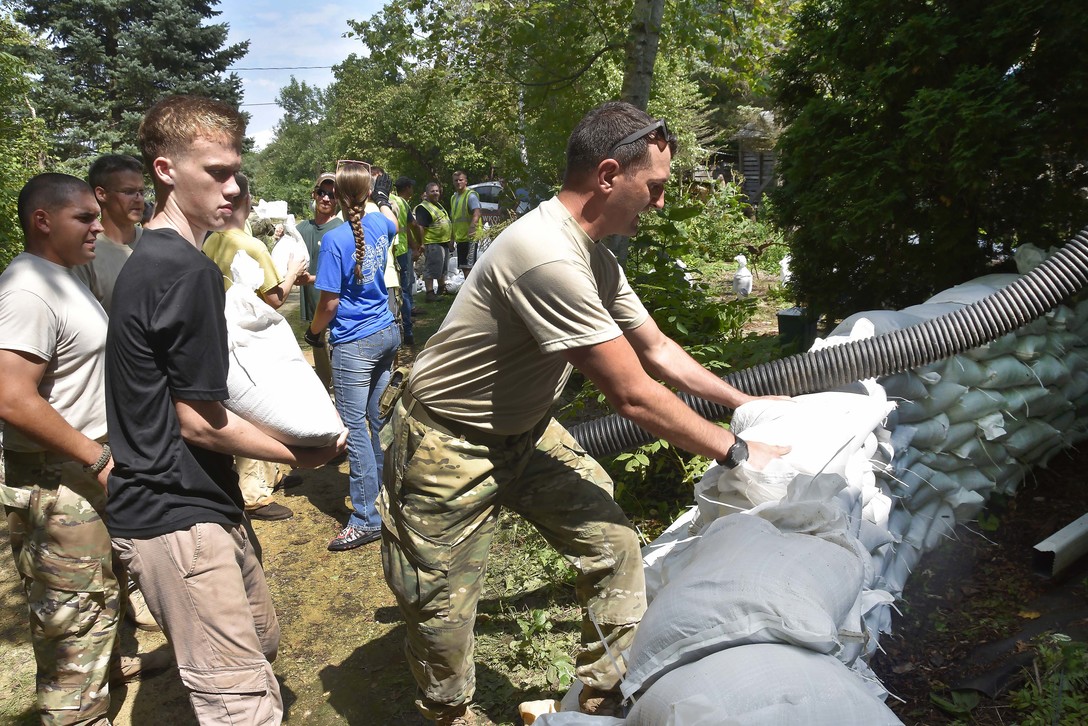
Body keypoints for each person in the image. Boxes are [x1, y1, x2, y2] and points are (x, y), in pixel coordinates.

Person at [379, 101, 790, 725]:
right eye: (652, 187)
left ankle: (598, 699)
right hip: (447, 446)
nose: (658, 203)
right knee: (440, 611)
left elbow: (657, 350)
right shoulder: (546, 255)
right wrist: (736, 451)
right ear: (607, 175)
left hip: (526, 434)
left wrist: (745, 403)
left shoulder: (594, 256)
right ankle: (449, 712)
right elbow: (633, 395)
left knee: (615, 546)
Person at [105, 95, 346, 725]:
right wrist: (308, 454)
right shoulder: (178, 270)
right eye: (215, 172)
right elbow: (194, 419)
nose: (232, 185)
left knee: (259, 642)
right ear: (164, 170)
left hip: (204, 500)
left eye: (235, 170)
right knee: (240, 703)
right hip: (171, 511)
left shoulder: (165, 260)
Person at [0, 173, 151, 725]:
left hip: (85, 470)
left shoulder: (61, 277)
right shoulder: (27, 291)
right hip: (60, 478)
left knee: (98, 598)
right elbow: (11, 398)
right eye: (84, 218)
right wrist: (96, 457)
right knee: (72, 620)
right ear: (43, 221)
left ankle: (111, 674)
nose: (96, 226)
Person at [306, 161, 400, 552]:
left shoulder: (335, 240)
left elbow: (328, 304)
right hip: (386, 333)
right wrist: (381, 195)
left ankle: (365, 519)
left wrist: (312, 333)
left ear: (341, 198)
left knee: (356, 429)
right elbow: (391, 216)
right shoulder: (381, 225)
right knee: (378, 420)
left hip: (354, 343)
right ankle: (387, 499)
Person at [204, 171, 308, 523]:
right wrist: (293, 271)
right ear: (246, 202)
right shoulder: (252, 246)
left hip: (219, 333)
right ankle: (254, 495)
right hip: (248, 338)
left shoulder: (211, 240)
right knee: (257, 406)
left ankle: (258, 478)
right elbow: (275, 298)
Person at [72, 154, 146, 314]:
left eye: (141, 191)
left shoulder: (155, 243)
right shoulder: (85, 253)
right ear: (101, 194)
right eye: (128, 192)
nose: (139, 199)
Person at [296, 172, 344, 392]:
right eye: (322, 193)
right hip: (314, 310)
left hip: (335, 310)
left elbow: (346, 274)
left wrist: (311, 279)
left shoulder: (341, 229)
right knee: (321, 359)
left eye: (332, 195)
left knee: (338, 360)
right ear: (314, 195)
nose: (326, 199)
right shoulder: (301, 229)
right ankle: (326, 397)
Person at [390, 176, 423, 345]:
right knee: (405, 292)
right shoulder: (403, 204)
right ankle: (408, 332)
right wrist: (420, 244)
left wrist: (415, 245)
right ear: (407, 187)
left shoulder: (385, 199)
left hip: (389, 252)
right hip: (402, 252)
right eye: (412, 187)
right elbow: (413, 226)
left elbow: (404, 230)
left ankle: (394, 327)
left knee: (390, 291)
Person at [415, 181, 452, 302]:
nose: (435, 193)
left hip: (443, 241)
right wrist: (421, 243)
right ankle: (430, 293)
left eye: (437, 191)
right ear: (426, 193)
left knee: (442, 268)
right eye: (432, 191)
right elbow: (421, 227)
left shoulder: (438, 205)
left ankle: (442, 288)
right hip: (433, 242)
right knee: (431, 269)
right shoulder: (423, 207)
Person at [450, 170, 482, 277]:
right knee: (464, 266)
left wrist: (472, 227)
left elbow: (477, 212)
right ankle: (469, 289)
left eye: (461, 180)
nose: (458, 182)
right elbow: (454, 220)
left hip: (470, 238)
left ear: (466, 182)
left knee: (469, 266)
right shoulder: (454, 198)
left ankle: (472, 291)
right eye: (456, 180)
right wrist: (452, 239)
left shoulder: (470, 196)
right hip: (460, 238)